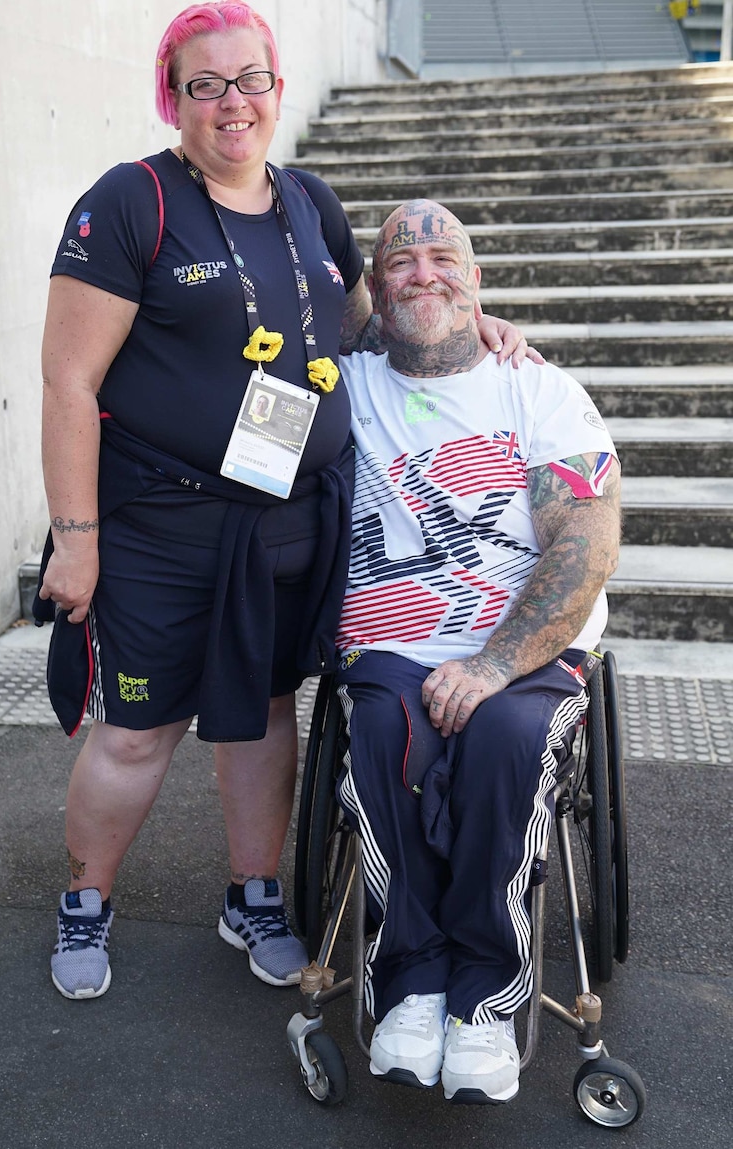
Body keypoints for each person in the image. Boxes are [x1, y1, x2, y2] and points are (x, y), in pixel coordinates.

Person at [37, 1, 533, 1002]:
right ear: (172, 96)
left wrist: (465, 330)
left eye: (249, 79)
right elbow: (67, 385)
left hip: (292, 519)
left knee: (266, 714)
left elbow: (358, 326)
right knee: (137, 730)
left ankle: (253, 895)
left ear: (276, 85)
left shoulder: (308, 200)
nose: (231, 103)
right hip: (161, 527)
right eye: (204, 83)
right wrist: (75, 541)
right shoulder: (132, 204)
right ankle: (86, 898)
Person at [334, 199, 621, 1103]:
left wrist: (495, 664)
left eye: (444, 257)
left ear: (478, 281)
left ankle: (487, 991)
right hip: (390, 644)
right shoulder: (341, 385)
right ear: (375, 292)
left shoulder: (538, 390)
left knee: (501, 740)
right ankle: (413, 978)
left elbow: (585, 534)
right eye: (401, 261)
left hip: (523, 648)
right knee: (384, 732)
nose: (424, 272)